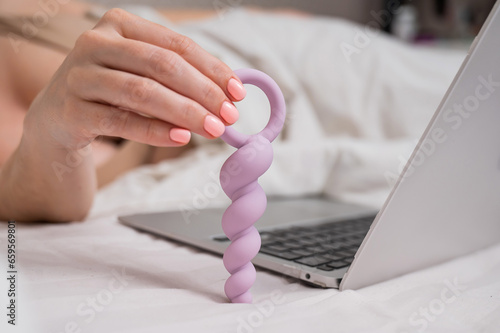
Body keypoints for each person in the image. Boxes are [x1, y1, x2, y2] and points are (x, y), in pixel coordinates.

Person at [0, 1, 247, 222]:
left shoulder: (22, 12)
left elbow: (177, 21)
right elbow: (38, 203)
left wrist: (253, 16)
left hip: (250, 52)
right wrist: (52, 134)